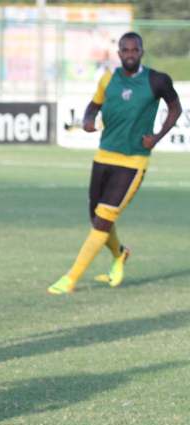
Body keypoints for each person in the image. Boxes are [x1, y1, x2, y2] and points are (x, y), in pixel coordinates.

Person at [48, 32, 182, 295]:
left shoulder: (157, 80)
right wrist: (89, 119)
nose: (130, 54)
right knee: (95, 217)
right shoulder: (108, 79)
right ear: (119, 53)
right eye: (125, 50)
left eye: (135, 49)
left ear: (142, 52)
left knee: (104, 219)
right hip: (103, 156)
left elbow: (175, 108)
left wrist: (157, 137)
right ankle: (119, 254)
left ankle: (70, 278)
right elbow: (93, 105)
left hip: (133, 161)